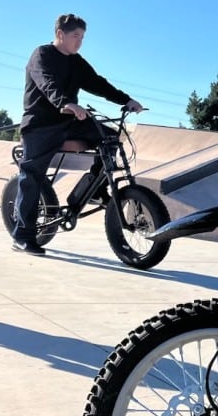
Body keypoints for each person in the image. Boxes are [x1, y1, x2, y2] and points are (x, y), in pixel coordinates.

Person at [12, 13, 143, 255]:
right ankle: (22, 234)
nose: (79, 42)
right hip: (40, 125)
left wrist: (126, 100)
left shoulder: (76, 61)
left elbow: (98, 83)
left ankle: (95, 191)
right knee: (31, 176)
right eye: (75, 36)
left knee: (110, 138)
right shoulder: (41, 55)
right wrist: (66, 103)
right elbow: (47, 83)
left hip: (69, 121)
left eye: (82, 37)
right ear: (60, 34)